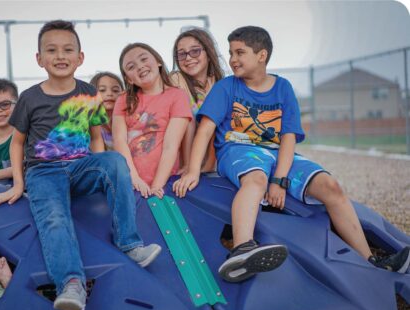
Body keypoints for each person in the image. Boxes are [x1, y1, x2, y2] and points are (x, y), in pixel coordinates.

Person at [173, 26, 410, 283]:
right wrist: (194, 170)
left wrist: (280, 180)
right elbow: (205, 130)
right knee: (255, 181)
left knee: (331, 186)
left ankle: (371, 262)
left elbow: (287, 138)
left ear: (261, 55)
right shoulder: (226, 87)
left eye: (240, 52)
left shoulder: (283, 88)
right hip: (239, 149)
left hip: (276, 152)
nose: (232, 59)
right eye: (231, 53)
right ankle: (242, 249)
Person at [0, 20, 161, 310]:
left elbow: (96, 138)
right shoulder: (30, 98)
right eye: (51, 50)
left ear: (80, 57)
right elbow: (17, 144)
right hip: (43, 172)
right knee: (54, 219)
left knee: (115, 161)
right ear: (39, 59)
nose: (60, 56)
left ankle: (129, 244)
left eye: (68, 49)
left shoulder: (89, 93)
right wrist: (19, 184)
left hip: (80, 167)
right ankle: (70, 284)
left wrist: (102, 170)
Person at [113, 42, 192, 199]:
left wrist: (157, 185)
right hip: (129, 181)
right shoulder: (123, 99)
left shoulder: (177, 96)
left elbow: (171, 145)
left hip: (165, 182)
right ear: (128, 79)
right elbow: (119, 141)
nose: (140, 66)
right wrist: (134, 179)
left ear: (158, 61)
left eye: (143, 59)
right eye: (131, 67)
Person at [170, 28, 225, 174]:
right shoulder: (175, 79)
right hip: (182, 162)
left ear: (208, 53)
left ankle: (208, 166)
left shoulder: (220, 84)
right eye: (181, 54)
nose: (188, 58)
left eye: (195, 51)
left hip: (213, 162)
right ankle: (190, 165)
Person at [89, 72, 124, 150]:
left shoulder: (129, 123)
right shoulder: (89, 129)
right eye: (102, 90)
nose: (109, 93)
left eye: (115, 90)